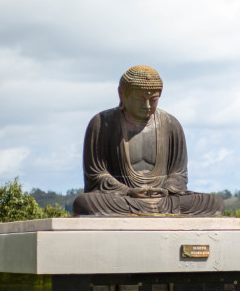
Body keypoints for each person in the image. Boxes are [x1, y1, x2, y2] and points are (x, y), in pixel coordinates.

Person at [71, 66, 224, 216]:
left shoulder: (171, 124)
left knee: (214, 202)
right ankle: (146, 208)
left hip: (164, 199)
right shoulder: (102, 123)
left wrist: (166, 189)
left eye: (153, 99)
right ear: (122, 95)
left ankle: (151, 209)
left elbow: (179, 174)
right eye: (140, 99)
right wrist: (129, 191)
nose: (147, 106)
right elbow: (97, 175)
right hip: (124, 199)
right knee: (84, 203)